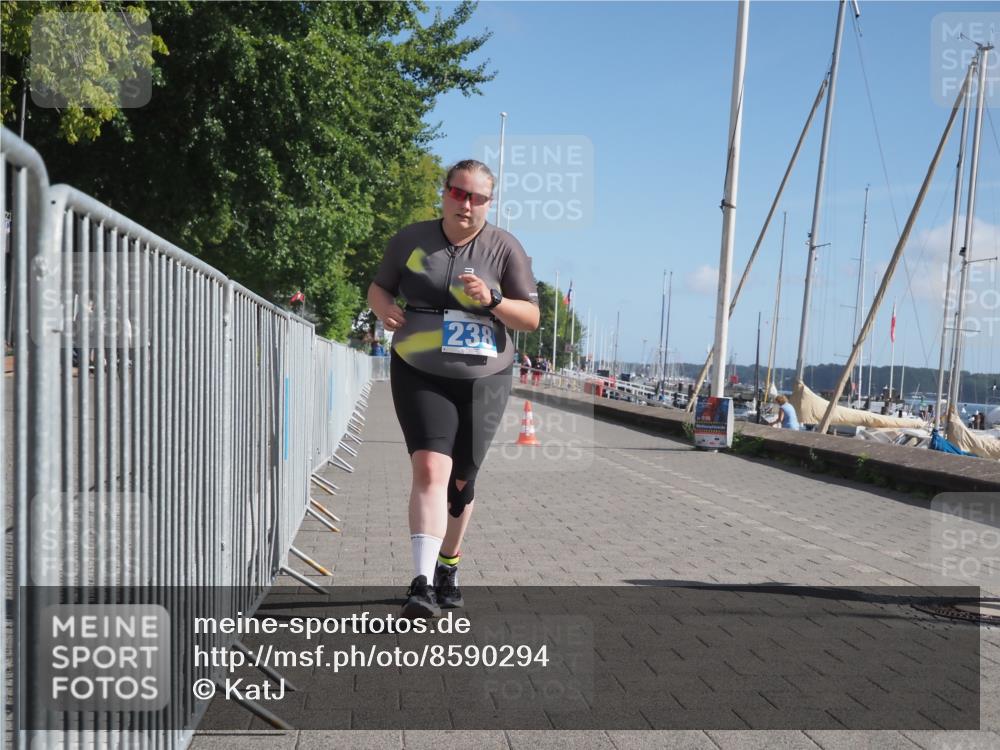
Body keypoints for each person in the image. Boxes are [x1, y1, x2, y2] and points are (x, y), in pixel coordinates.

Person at [367, 159, 540, 618]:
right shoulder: (411, 240)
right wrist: (384, 308)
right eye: (458, 193)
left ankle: (449, 565)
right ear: (444, 193)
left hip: (485, 377)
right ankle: (421, 584)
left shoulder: (505, 248)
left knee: (461, 481)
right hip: (418, 367)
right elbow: (379, 287)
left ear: (489, 202)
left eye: (477, 197)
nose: (466, 204)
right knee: (429, 468)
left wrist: (494, 300)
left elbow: (531, 317)